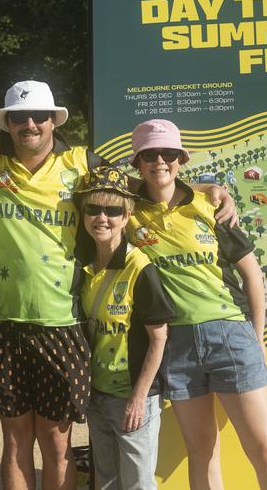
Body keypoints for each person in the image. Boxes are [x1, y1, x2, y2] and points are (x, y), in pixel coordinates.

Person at [0, 80, 238, 490]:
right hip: (4, 322)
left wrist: (203, 188)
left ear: (54, 121)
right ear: (7, 124)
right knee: (14, 439)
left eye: (39, 116)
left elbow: (139, 186)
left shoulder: (80, 161)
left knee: (58, 444)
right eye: (19, 117)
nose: (30, 124)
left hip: (65, 322)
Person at [126, 119, 267, 490]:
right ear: (137, 162)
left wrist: (258, 340)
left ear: (181, 159)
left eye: (169, 153)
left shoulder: (210, 204)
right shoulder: (126, 211)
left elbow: (253, 276)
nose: (160, 161)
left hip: (231, 335)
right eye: (150, 154)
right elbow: (97, 184)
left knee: (265, 450)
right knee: (201, 453)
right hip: (177, 344)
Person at [75, 166, 174, 490]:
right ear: (83, 212)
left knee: (137, 484)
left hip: (133, 398)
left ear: (127, 215)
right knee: (105, 481)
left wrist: (138, 398)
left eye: (113, 210)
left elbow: (158, 339)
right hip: (98, 396)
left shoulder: (139, 268)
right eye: (93, 208)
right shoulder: (84, 265)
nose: (102, 218)